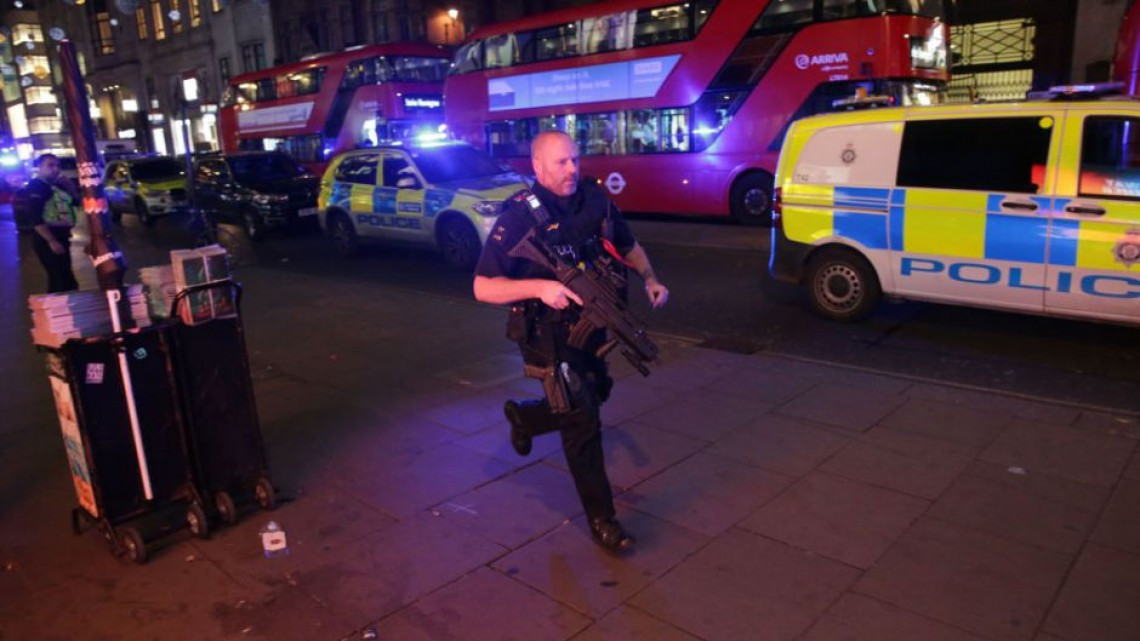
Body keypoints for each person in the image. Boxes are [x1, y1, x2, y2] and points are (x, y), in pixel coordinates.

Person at [473, 130, 669, 552]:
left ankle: (527, 418)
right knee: (583, 421)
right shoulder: (519, 217)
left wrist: (650, 278)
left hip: (591, 325)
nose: (571, 169)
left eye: (575, 160)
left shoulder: (594, 200)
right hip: (548, 333)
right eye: (561, 163)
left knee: (598, 392)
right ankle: (604, 520)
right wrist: (540, 288)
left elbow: (627, 244)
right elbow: (483, 287)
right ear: (538, 167)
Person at [25, 153, 80, 293]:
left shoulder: (57, 186)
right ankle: (60, 310)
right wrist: (51, 241)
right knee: (61, 279)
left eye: (57, 165)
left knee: (64, 278)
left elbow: (76, 202)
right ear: (39, 167)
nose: (55, 169)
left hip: (62, 236)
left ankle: (60, 310)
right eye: (50, 165)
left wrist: (71, 188)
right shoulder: (36, 187)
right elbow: (34, 218)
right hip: (47, 238)